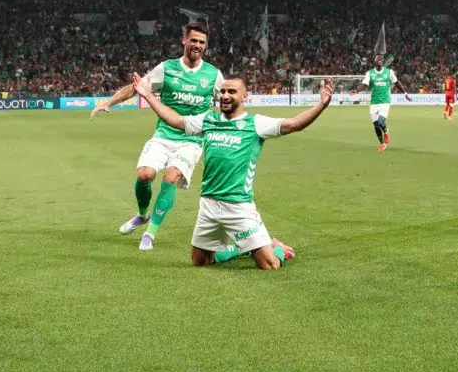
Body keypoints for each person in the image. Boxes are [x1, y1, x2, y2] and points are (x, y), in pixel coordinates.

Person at [132, 73, 334, 269]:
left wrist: (322, 105)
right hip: (208, 203)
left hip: (239, 205)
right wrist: (149, 95)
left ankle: (278, 249)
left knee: (270, 264)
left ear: (244, 96)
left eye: (232, 91)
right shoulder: (208, 120)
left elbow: (295, 124)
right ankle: (240, 249)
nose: (225, 96)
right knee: (200, 262)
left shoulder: (255, 124)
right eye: (222, 91)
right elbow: (176, 120)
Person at [91, 22, 224, 251]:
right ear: (184, 40)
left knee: (171, 177)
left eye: (202, 42)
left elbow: (227, 100)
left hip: (192, 140)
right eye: (194, 40)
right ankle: (142, 215)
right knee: (145, 175)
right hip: (163, 134)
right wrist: (108, 102)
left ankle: (150, 233)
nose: (197, 45)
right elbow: (137, 87)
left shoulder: (213, 74)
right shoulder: (167, 68)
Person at [351, 54, 411, 151]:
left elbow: (396, 82)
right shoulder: (370, 73)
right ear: (375, 61)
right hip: (374, 101)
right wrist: (356, 91)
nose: (379, 60)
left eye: (380, 59)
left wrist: (405, 93)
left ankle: (386, 132)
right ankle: (382, 143)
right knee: (375, 125)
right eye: (377, 59)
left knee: (380, 121)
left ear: (383, 61)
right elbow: (364, 84)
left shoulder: (389, 72)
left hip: (385, 101)